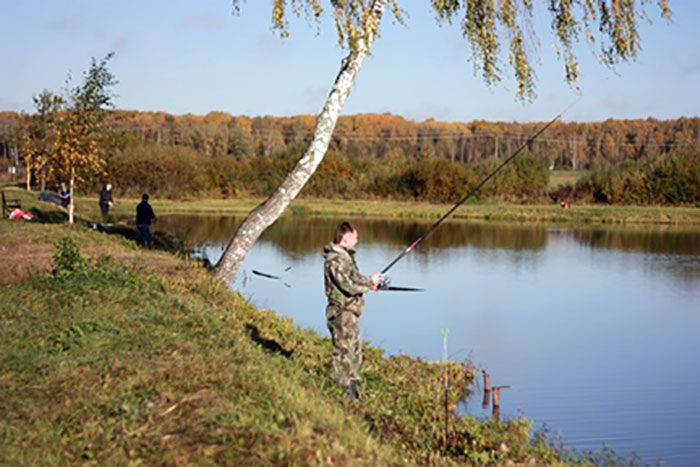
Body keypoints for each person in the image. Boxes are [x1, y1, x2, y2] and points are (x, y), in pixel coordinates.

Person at [322, 221, 383, 400]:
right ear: (346, 238)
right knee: (343, 351)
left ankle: (353, 387)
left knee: (354, 350)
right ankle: (341, 390)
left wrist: (371, 281)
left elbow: (354, 278)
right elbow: (347, 285)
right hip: (341, 312)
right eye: (355, 237)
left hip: (351, 311)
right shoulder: (335, 260)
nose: (357, 240)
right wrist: (368, 286)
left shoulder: (346, 258)